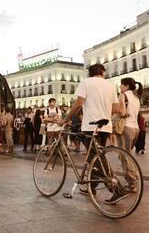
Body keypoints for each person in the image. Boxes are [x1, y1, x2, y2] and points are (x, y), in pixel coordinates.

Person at [58, 64, 126, 205]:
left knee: (97, 158)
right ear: (102, 72)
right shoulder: (109, 85)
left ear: (90, 73)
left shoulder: (86, 82)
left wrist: (66, 119)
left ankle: (117, 189)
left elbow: (78, 104)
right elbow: (116, 108)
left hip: (91, 126)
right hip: (105, 126)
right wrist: (103, 110)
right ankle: (91, 187)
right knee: (94, 157)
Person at [116, 77, 143, 192]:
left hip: (125, 128)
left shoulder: (123, 96)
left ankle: (132, 183)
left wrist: (116, 111)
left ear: (126, 86)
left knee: (124, 156)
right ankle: (133, 180)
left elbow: (122, 112)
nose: (120, 87)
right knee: (127, 155)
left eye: (121, 85)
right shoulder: (136, 97)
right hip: (135, 128)